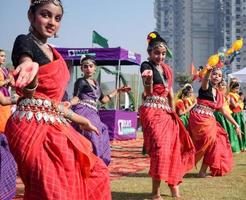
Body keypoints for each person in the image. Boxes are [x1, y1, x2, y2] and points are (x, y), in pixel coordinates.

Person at [5, 1, 111, 199]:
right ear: (31, 16)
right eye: (45, 15)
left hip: (57, 125)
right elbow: (27, 75)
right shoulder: (24, 41)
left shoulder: (55, 55)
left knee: (96, 172)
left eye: (58, 18)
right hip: (31, 126)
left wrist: (80, 119)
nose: (52, 22)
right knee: (51, 189)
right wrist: (30, 71)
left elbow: (52, 103)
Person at [139, 31, 195, 199]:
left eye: (163, 54)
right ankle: (155, 191)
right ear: (149, 53)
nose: (160, 56)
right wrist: (148, 82)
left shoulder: (166, 70)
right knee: (160, 150)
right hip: (152, 112)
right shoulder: (146, 66)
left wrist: (173, 113)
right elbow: (148, 92)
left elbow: (170, 93)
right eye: (157, 53)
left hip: (167, 113)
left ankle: (174, 187)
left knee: (174, 150)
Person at [70, 55, 130, 166]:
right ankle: (91, 160)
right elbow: (76, 98)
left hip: (93, 112)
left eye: (90, 66)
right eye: (85, 66)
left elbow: (103, 100)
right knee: (93, 132)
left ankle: (98, 161)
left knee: (103, 129)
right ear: (81, 68)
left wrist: (117, 91)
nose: (88, 68)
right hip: (83, 110)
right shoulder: (80, 81)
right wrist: (69, 103)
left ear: (95, 68)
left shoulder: (96, 84)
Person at [188, 65, 241, 178]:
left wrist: (236, 124)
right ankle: (185, 163)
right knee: (208, 141)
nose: (217, 76)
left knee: (217, 142)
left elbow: (224, 112)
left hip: (210, 120)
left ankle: (202, 172)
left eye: (219, 75)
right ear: (211, 75)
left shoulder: (219, 94)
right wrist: (207, 71)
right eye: (215, 74)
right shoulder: (205, 87)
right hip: (199, 118)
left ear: (222, 79)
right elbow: (205, 80)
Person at [214, 80, 241, 153]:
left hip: (227, 114)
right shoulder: (216, 94)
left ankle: (230, 148)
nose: (224, 86)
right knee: (223, 132)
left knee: (230, 131)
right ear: (218, 86)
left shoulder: (226, 95)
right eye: (222, 85)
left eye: (225, 85)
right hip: (220, 115)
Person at [228, 81, 246, 151]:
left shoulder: (237, 94)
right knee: (238, 130)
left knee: (243, 128)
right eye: (236, 88)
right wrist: (240, 100)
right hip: (235, 114)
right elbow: (234, 105)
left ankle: (243, 145)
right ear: (232, 88)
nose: (237, 90)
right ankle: (240, 146)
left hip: (240, 113)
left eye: (238, 88)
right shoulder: (230, 95)